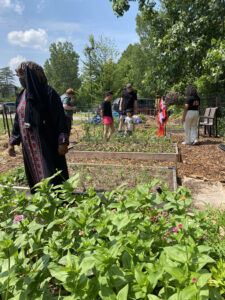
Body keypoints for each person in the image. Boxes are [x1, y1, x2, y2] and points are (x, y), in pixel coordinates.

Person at [8, 61, 69, 192]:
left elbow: (60, 119)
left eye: (21, 75)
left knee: (53, 177)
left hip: (47, 145)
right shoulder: (21, 96)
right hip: (29, 148)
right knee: (35, 180)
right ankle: (41, 205)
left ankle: (59, 207)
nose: (19, 78)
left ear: (31, 75)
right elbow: (18, 121)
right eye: (17, 75)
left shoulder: (48, 93)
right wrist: (12, 142)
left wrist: (63, 142)